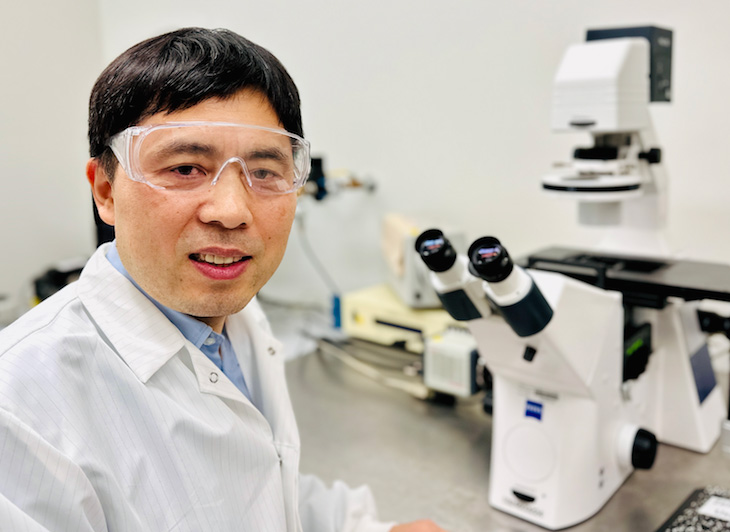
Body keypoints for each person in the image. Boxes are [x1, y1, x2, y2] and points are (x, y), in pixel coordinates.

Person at [0, 27, 446, 532]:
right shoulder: (18, 412)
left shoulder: (234, 320)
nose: (233, 211)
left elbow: (263, 487)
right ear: (105, 190)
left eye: (264, 171)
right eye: (186, 167)